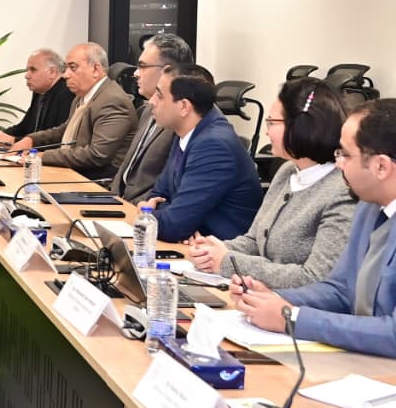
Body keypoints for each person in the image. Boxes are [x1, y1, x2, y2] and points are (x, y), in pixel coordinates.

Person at [234, 99, 396, 358]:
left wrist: (292, 318)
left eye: (345, 154)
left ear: (381, 166)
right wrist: (274, 298)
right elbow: (340, 290)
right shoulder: (369, 204)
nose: (338, 164)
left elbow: (393, 334)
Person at [190, 79, 354, 288]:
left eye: (272, 122)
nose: (266, 131)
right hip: (258, 296)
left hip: (289, 305)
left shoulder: (341, 191)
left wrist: (228, 261)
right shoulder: (287, 171)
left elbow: (314, 278)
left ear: (300, 126)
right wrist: (213, 250)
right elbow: (254, 241)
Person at [138, 65, 262, 242]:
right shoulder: (187, 131)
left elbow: (173, 225)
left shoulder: (213, 145)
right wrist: (158, 213)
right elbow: (158, 193)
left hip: (221, 252)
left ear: (184, 107)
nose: (151, 101)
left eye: (159, 95)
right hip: (193, 245)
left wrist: (152, 214)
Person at [11, 43, 136, 181]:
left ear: (95, 69)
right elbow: (64, 130)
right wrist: (31, 140)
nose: (65, 75)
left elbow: (97, 155)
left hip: (95, 182)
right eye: (66, 68)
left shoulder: (112, 100)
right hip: (74, 173)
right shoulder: (81, 97)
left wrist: (41, 156)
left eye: (73, 67)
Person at [110, 34, 194, 204]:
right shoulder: (147, 109)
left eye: (142, 66)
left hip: (144, 209)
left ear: (166, 71)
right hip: (121, 203)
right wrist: (111, 199)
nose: (135, 73)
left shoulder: (182, 116)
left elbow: (167, 187)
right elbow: (126, 171)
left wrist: (134, 208)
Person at [0, 49, 73, 146]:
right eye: (27, 70)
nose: (26, 75)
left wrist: (14, 140)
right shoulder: (39, 92)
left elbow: (58, 139)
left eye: (33, 70)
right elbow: (24, 127)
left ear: (52, 72)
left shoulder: (67, 93)